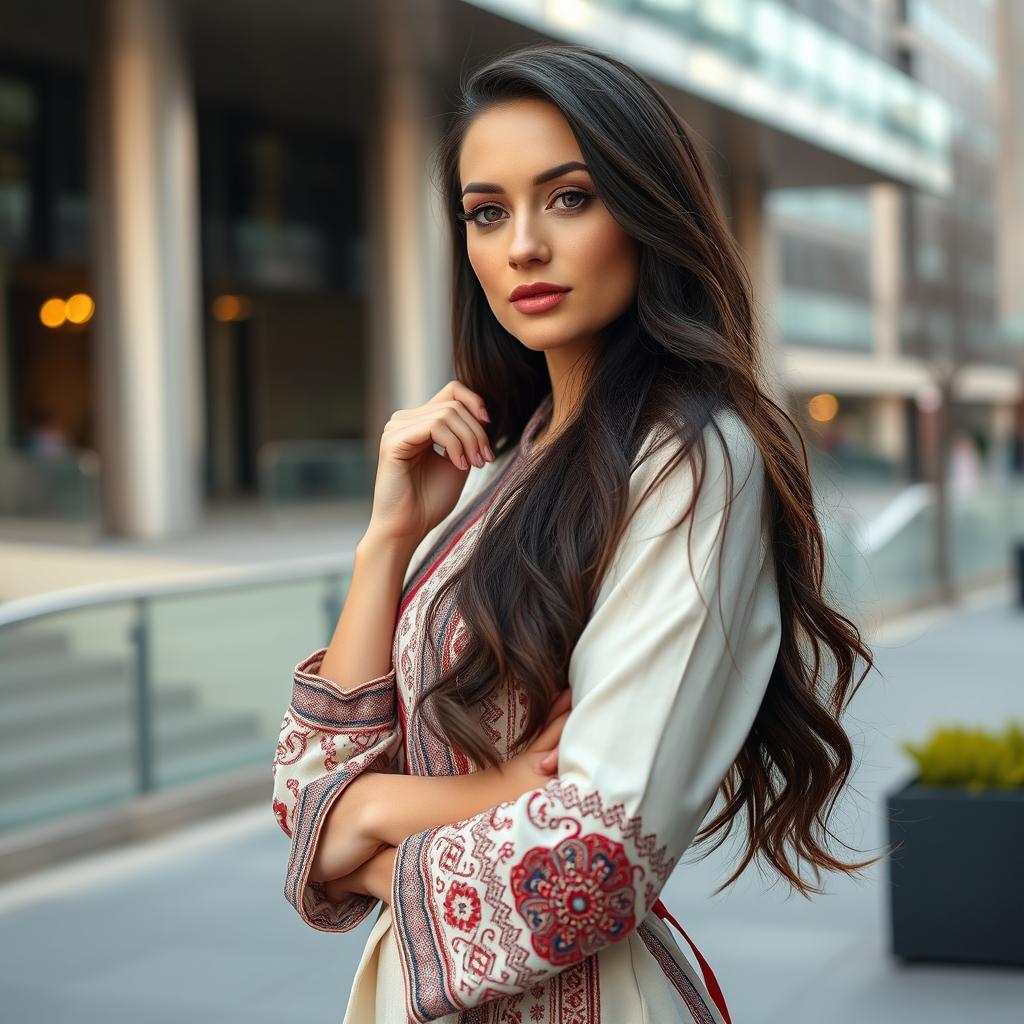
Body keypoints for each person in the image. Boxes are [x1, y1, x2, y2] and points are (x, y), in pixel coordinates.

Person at [271, 42, 881, 1024]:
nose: (520, 247)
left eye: (567, 198)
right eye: (486, 212)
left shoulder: (689, 460)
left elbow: (590, 862)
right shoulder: (514, 460)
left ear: (646, 214)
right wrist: (387, 540)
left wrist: (370, 820)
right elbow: (306, 792)